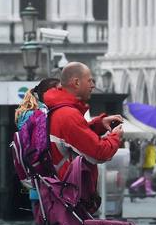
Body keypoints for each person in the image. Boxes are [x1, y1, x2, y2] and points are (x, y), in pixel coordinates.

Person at [43, 63, 124, 203]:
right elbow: (100, 152)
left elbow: (74, 138)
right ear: (76, 82)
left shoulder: (59, 110)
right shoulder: (68, 115)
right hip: (69, 197)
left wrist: (99, 124)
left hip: (61, 193)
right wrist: (116, 136)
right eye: (90, 81)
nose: (93, 85)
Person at [16, 77, 60, 225]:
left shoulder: (26, 117)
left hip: (36, 193)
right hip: (48, 192)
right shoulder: (42, 115)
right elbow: (42, 151)